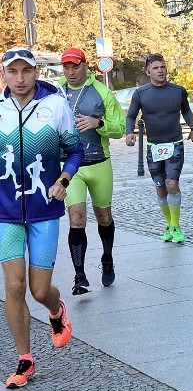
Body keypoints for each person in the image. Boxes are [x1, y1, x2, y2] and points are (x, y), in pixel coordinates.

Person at [0, 47, 83, 388]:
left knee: (38, 290)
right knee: (14, 287)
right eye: (12, 72)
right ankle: (24, 359)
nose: (20, 79)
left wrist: (63, 180)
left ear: (36, 73)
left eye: (26, 72)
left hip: (45, 210)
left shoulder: (55, 106)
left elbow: (75, 150)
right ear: (4, 75)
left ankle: (56, 310)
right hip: (5, 212)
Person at [57, 48, 126, 295]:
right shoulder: (56, 93)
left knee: (104, 217)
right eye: (66, 67)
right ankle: (79, 275)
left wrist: (99, 124)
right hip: (69, 167)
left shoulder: (102, 92)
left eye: (75, 66)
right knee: (76, 218)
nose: (71, 72)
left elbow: (119, 128)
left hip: (99, 163)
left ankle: (107, 258)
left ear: (85, 66)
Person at [126, 54, 193, 244]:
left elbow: (186, 110)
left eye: (163, 67)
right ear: (148, 71)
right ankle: (169, 224)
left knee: (172, 184)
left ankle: (176, 226)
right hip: (154, 146)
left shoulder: (178, 91)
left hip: (175, 143)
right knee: (160, 188)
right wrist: (129, 132)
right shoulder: (141, 93)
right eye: (156, 68)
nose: (160, 71)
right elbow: (131, 116)